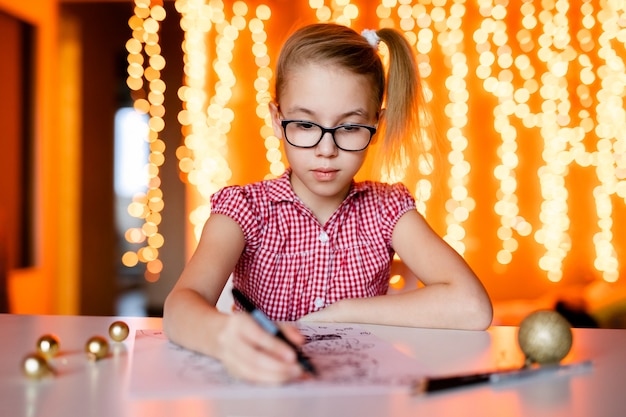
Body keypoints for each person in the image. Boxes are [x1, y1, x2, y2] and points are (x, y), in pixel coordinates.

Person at [163, 23, 492, 384]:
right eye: (305, 125)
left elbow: (472, 308)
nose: (326, 149)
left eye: (349, 128)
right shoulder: (245, 209)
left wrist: (342, 313)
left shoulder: (388, 209)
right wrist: (222, 340)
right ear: (277, 119)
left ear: (376, 125)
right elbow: (180, 307)